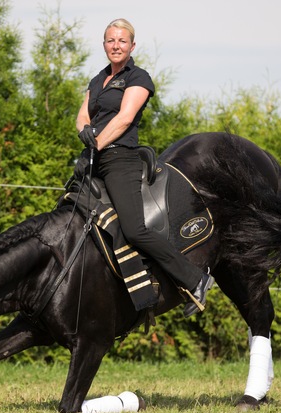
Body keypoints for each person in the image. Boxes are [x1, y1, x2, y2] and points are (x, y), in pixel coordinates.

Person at [75, 18, 213, 316]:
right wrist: (84, 131)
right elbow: (82, 114)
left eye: (122, 41)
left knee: (135, 230)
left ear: (132, 46)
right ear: (104, 45)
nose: (116, 45)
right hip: (93, 158)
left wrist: (93, 143)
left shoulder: (139, 78)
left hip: (119, 160)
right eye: (111, 40)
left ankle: (195, 278)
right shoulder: (98, 79)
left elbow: (124, 119)